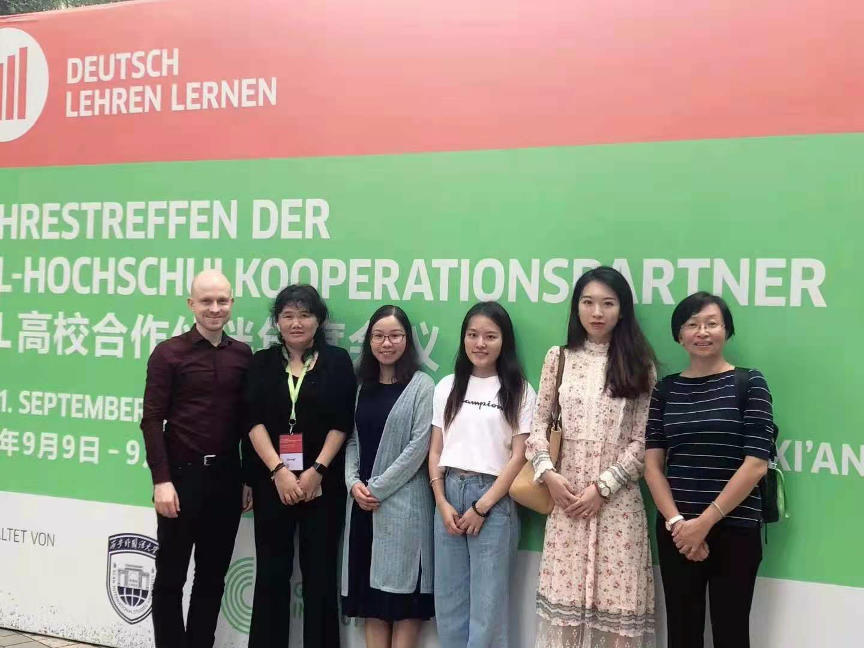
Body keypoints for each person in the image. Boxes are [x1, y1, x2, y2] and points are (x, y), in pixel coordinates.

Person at [526, 266, 657, 648]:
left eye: (607, 303)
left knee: (617, 615)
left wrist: (602, 488)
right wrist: (549, 475)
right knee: (564, 615)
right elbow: (538, 427)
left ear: (622, 309)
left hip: (617, 507)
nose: (597, 312)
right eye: (588, 302)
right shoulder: (559, 358)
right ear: (576, 307)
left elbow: (643, 440)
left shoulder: (639, 364)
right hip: (566, 502)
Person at [644, 292, 773, 649]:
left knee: (731, 633)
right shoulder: (665, 390)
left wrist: (703, 524)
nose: (702, 332)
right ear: (679, 335)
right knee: (682, 634)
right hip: (677, 531)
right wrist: (678, 524)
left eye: (712, 324)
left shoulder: (750, 383)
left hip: (735, 530)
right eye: (692, 324)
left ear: (726, 331)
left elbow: (756, 464)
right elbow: (653, 466)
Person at [141, 270, 253, 648]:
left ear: (232, 303)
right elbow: (152, 420)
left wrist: (246, 479)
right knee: (170, 578)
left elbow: (246, 422)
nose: (215, 308)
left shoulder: (243, 355)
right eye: (206, 301)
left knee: (212, 578)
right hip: (180, 479)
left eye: (222, 300)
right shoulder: (168, 353)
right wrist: (162, 481)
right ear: (191, 304)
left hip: (226, 480)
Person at [243, 284, 356, 648]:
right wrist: (278, 471)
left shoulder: (337, 361)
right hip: (273, 483)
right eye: (288, 315)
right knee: (271, 575)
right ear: (277, 321)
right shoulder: (261, 362)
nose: (296, 323)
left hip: (322, 486)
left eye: (305, 315)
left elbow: (342, 421)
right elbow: (252, 421)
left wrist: (316, 471)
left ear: (318, 320)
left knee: (320, 578)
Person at [429, 301, 536, 648]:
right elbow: (436, 451)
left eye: (490, 336)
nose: (480, 343)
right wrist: (441, 501)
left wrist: (482, 507)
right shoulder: (447, 386)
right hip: (448, 496)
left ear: (504, 341)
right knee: (449, 603)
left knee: (487, 608)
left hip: (494, 500)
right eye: (473, 335)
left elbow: (519, 456)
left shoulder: (519, 389)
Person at [341, 305, 436, 648]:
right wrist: (353, 483)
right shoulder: (360, 385)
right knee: (371, 602)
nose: (386, 343)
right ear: (368, 340)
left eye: (395, 335)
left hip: (404, 507)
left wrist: (376, 489)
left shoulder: (422, 386)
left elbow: (418, 447)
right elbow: (352, 438)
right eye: (379, 336)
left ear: (407, 340)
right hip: (363, 506)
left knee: (403, 602)